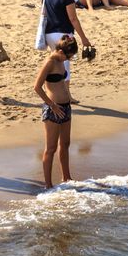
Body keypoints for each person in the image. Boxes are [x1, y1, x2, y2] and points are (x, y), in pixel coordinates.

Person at [34, 34, 79, 188]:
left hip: (66, 108)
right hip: (53, 110)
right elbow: (37, 87)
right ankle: (48, 185)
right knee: (51, 148)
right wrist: (52, 105)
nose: (69, 60)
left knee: (65, 144)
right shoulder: (50, 62)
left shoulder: (61, 61)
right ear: (61, 52)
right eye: (69, 57)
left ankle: (67, 178)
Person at [40, 0, 92, 78]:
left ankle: (54, 89)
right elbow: (73, 19)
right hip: (63, 34)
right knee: (65, 65)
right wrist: (83, 38)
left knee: (55, 62)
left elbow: (44, 13)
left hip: (49, 34)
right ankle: (66, 93)